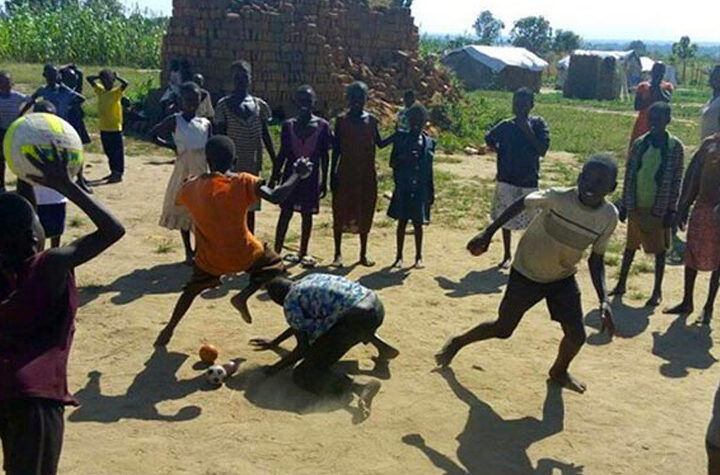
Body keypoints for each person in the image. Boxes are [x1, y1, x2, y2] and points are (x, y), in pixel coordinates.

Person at [435, 155, 619, 393]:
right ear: (579, 177)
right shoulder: (558, 198)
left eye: (600, 182)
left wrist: (604, 299)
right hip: (527, 273)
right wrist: (489, 232)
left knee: (576, 336)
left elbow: (597, 259)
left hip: (562, 278)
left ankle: (559, 371)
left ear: (612, 188)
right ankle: (458, 342)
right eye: (587, 178)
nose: (591, 186)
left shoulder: (608, 217)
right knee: (503, 329)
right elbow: (523, 202)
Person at [0, 144, 125, 475]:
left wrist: (22, 170)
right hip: (34, 397)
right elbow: (113, 230)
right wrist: (68, 185)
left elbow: (22, 218)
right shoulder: (50, 264)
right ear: (33, 238)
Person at [154, 136, 312, 347]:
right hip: (245, 254)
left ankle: (168, 329)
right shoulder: (243, 181)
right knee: (274, 266)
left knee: (191, 290)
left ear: (207, 160)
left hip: (211, 259)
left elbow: (182, 200)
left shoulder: (190, 187)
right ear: (235, 160)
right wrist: (297, 174)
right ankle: (244, 295)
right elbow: (276, 196)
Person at [250, 273, 400, 420]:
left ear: (279, 300)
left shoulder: (290, 303)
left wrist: (273, 369)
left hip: (356, 320)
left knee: (304, 373)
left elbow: (302, 349)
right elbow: (299, 324)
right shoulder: (309, 279)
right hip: (375, 306)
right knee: (334, 320)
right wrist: (275, 342)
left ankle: (359, 387)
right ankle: (381, 347)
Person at [612, 102, 684, 307]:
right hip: (636, 205)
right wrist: (625, 204)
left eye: (659, 120)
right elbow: (630, 175)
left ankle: (657, 290)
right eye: (652, 120)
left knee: (659, 251)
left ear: (668, 121)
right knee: (630, 247)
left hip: (658, 208)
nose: (655, 124)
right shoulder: (640, 144)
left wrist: (672, 209)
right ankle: (621, 283)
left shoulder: (674, 147)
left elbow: (677, 178)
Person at [485, 88, 550, 269]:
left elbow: (542, 150)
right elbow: (489, 137)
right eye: (516, 104)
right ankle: (506, 254)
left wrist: (527, 130)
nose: (519, 108)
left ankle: (527, 255)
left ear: (531, 105)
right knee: (505, 218)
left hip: (528, 180)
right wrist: (499, 150)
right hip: (507, 179)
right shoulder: (506, 125)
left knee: (532, 222)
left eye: (523, 104)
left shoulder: (538, 125)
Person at [151, 82, 212, 264]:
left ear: (200, 101)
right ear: (181, 101)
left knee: (202, 213)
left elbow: (210, 147)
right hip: (183, 171)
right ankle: (188, 251)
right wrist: (172, 146)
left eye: (195, 100)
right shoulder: (175, 120)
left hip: (201, 170)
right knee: (184, 209)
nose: (191, 103)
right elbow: (153, 134)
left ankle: (200, 249)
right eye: (187, 100)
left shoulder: (205, 123)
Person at [271, 85, 332, 268]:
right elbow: (282, 153)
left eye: (308, 100)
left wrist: (325, 180)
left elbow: (324, 156)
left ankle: (302, 252)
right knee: (285, 213)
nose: (304, 104)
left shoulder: (322, 127)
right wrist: (275, 174)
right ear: (296, 103)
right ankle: (276, 252)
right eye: (301, 100)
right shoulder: (288, 126)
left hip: (311, 179)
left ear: (314, 102)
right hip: (290, 177)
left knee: (307, 215)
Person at [664, 130, 720, 324]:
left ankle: (708, 306)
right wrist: (684, 205)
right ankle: (687, 301)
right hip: (703, 207)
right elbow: (694, 176)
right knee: (692, 253)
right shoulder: (709, 145)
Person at [331, 81, 389, 268]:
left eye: (361, 98)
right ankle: (338, 253)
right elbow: (337, 149)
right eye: (353, 98)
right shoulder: (341, 121)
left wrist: (400, 135)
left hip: (366, 173)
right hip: (346, 172)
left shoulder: (371, 121)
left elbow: (380, 143)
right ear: (348, 99)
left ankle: (363, 254)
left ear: (366, 99)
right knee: (340, 210)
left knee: (365, 209)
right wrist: (332, 173)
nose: (357, 102)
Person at [215, 60, 277, 233]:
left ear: (250, 79)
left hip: (252, 164)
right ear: (232, 80)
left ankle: (249, 245)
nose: (241, 80)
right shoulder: (223, 106)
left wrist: (275, 161)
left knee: (250, 206)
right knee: (231, 206)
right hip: (230, 167)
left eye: (244, 76)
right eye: (237, 77)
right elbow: (219, 138)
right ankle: (232, 245)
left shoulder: (259, 106)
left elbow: (265, 134)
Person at [386, 104, 434, 270]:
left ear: (424, 122)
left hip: (420, 187)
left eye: (419, 121)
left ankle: (418, 256)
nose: (416, 124)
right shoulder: (401, 140)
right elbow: (392, 163)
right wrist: (405, 157)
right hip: (404, 185)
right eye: (413, 120)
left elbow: (430, 170)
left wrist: (431, 191)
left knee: (419, 223)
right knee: (402, 221)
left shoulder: (429, 142)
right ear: (409, 121)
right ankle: (399, 256)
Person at [87, 69, 129, 184]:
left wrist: (117, 77)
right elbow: (89, 79)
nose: (106, 83)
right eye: (104, 81)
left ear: (113, 81)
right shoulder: (100, 91)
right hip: (104, 127)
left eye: (109, 81)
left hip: (115, 127)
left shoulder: (116, 92)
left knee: (117, 152)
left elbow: (126, 84)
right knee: (108, 151)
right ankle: (113, 171)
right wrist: (99, 76)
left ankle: (118, 173)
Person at [629, 62, 674, 149]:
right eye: (656, 71)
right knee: (639, 146)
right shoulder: (643, 86)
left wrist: (657, 87)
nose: (658, 74)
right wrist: (649, 101)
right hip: (643, 122)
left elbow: (667, 100)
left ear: (663, 73)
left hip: (659, 123)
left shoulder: (667, 87)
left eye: (661, 72)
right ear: (652, 72)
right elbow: (636, 106)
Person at [0, 70, 28, 193]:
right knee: (1, 160)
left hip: (15, 131)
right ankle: (1, 185)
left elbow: (31, 100)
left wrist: (21, 114)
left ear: (11, 83)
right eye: (2, 82)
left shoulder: (17, 96)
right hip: (1, 131)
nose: (5, 85)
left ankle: (21, 185)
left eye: (7, 82)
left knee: (19, 158)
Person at [59, 64, 91, 147]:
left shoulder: (75, 90)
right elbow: (58, 72)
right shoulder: (61, 89)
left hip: (75, 116)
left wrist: (72, 68)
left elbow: (80, 75)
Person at [701, 65, 720, 140]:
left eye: (717, 77)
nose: (713, 79)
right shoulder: (712, 99)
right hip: (708, 147)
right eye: (713, 75)